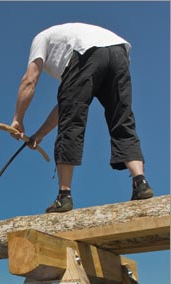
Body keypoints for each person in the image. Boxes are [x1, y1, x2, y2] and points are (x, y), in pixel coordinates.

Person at [10, 23, 153, 213]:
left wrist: (18, 119)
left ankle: (64, 196)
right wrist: (39, 135)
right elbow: (65, 106)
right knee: (122, 119)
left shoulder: (41, 39)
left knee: (72, 126)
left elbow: (29, 79)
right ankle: (140, 182)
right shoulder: (68, 40)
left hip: (85, 53)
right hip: (119, 53)